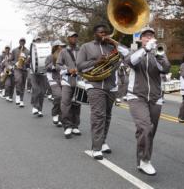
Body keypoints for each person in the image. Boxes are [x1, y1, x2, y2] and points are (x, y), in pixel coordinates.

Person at [76, 24, 129, 160]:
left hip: (111, 86)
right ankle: (96, 147)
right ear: (95, 33)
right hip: (94, 85)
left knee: (107, 116)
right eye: (100, 32)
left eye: (106, 33)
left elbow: (127, 56)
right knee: (98, 115)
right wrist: (96, 62)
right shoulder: (86, 47)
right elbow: (80, 65)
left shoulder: (112, 47)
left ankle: (103, 141)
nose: (104, 35)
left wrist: (115, 42)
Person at [125, 27, 170, 176]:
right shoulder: (134, 52)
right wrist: (145, 50)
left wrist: (158, 55)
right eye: (146, 36)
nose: (149, 38)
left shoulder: (158, 53)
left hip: (156, 98)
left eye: (151, 36)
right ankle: (145, 160)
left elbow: (166, 69)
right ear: (141, 39)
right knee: (145, 127)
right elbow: (130, 61)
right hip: (137, 96)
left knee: (149, 132)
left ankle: (141, 159)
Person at [56, 31, 81, 138]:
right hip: (67, 80)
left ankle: (75, 125)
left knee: (77, 104)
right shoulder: (63, 52)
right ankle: (67, 126)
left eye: (75, 37)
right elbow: (58, 65)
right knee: (65, 103)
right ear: (68, 39)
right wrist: (67, 70)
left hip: (79, 81)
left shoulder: (81, 50)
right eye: (72, 37)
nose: (74, 38)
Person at [45, 40, 65, 127]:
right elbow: (46, 67)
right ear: (55, 47)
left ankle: (61, 118)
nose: (61, 47)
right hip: (52, 78)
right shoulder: (50, 56)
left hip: (63, 78)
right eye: (60, 46)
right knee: (58, 96)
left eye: (62, 46)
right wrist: (54, 65)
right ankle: (55, 114)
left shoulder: (64, 56)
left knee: (64, 99)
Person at [30, 37, 47, 117]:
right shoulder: (31, 50)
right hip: (33, 73)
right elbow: (27, 62)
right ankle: (34, 106)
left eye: (39, 40)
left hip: (43, 73)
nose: (38, 41)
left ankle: (40, 109)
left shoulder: (44, 50)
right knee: (36, 89)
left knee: (42, 92)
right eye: (37, 40)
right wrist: (29, 58)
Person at [11, 38, 30, 107]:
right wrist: (15, 63)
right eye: (21, 41)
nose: (22, 42)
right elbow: (11, 60)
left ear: (25, 42)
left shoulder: (28, 51)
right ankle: (17, 95)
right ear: (19, 42)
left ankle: (21, 100)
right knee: (18, 80)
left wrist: (27, 61)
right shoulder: (14, 50)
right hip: (17, 69)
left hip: (24, 69)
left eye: (23, 41)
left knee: (23, 85)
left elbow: (29, 62)